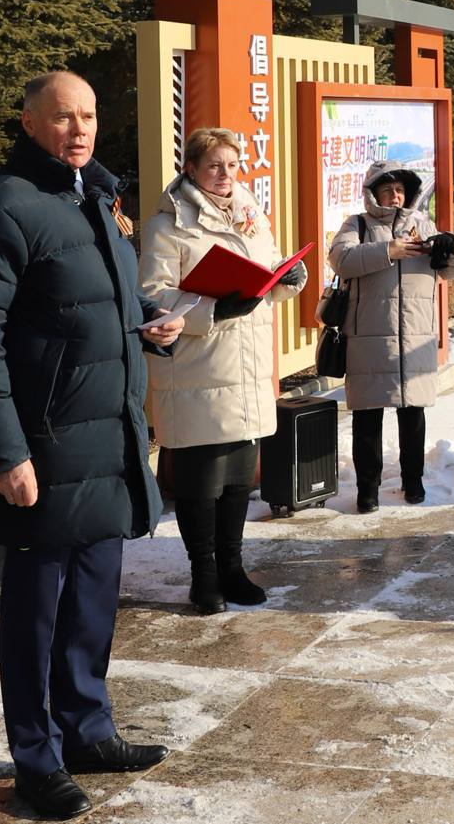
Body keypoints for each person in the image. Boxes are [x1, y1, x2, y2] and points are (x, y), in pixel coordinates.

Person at [0, 71, 182, 820]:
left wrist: (150, 321)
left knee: (91, 602)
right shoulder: (1, 205)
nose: (78, 130)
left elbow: (96, 300)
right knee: (36, 614)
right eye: (62, 117)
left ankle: (87, 731)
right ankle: (37, 758)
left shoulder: (94, 195)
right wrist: (3, 453)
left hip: (107, 435)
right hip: (44, 445)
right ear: (28, 122)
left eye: (87, 116)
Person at [138, 127, 307, 614]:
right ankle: (203, 577)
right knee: (200, 484)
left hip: (247, 367)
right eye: (214, 165)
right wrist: (212, 310)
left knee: (237, 481)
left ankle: (233, 568)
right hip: (197, 369)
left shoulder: (250, 212)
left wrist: (287, 278)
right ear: (191, 168)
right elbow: (152, 295)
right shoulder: (167, 224)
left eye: (232, 165)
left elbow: (265, 274)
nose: (225, 175)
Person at [328, 161, 454, 513]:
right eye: (386, 190)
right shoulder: (358, 224)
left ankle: (414, 481)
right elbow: (340, 259)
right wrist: (387, 251)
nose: (394, 196)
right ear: (372, 194)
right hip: (369, 337)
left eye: (399, 190)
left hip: (414, 335)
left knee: (413, 415)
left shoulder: (423, 225)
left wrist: (453, 247)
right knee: (367, 417)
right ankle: (367, 490)